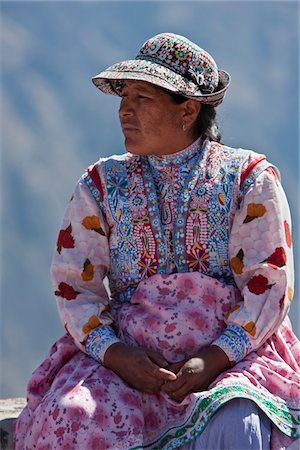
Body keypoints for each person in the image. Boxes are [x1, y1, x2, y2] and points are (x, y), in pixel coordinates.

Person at [14, 32, 299, 450]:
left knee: (240, 422)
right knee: (75, 417)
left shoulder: (248, 181)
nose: (124, 111)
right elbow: (74, 285)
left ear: (187, 111)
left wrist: (212, 359)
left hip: (231, 358)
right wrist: (115, 355)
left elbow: (268, 285)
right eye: (123, 97)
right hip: (127, 359)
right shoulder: (101, 186)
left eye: (142, 99)